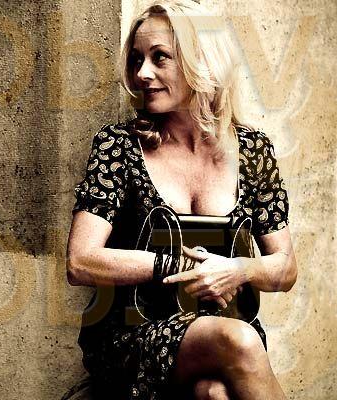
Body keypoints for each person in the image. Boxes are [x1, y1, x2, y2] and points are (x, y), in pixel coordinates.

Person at [66, 1, 297, 399]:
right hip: (135, 334)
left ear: (202, 61)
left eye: (160, 58)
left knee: (215, 394)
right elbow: (80, 261)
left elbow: (286, 268)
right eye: (136, 59)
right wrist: (180, 264)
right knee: (240, 341)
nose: (142, 73)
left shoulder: (253, 150)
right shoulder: (119, 145)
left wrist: (238, 270)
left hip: (223, 330)